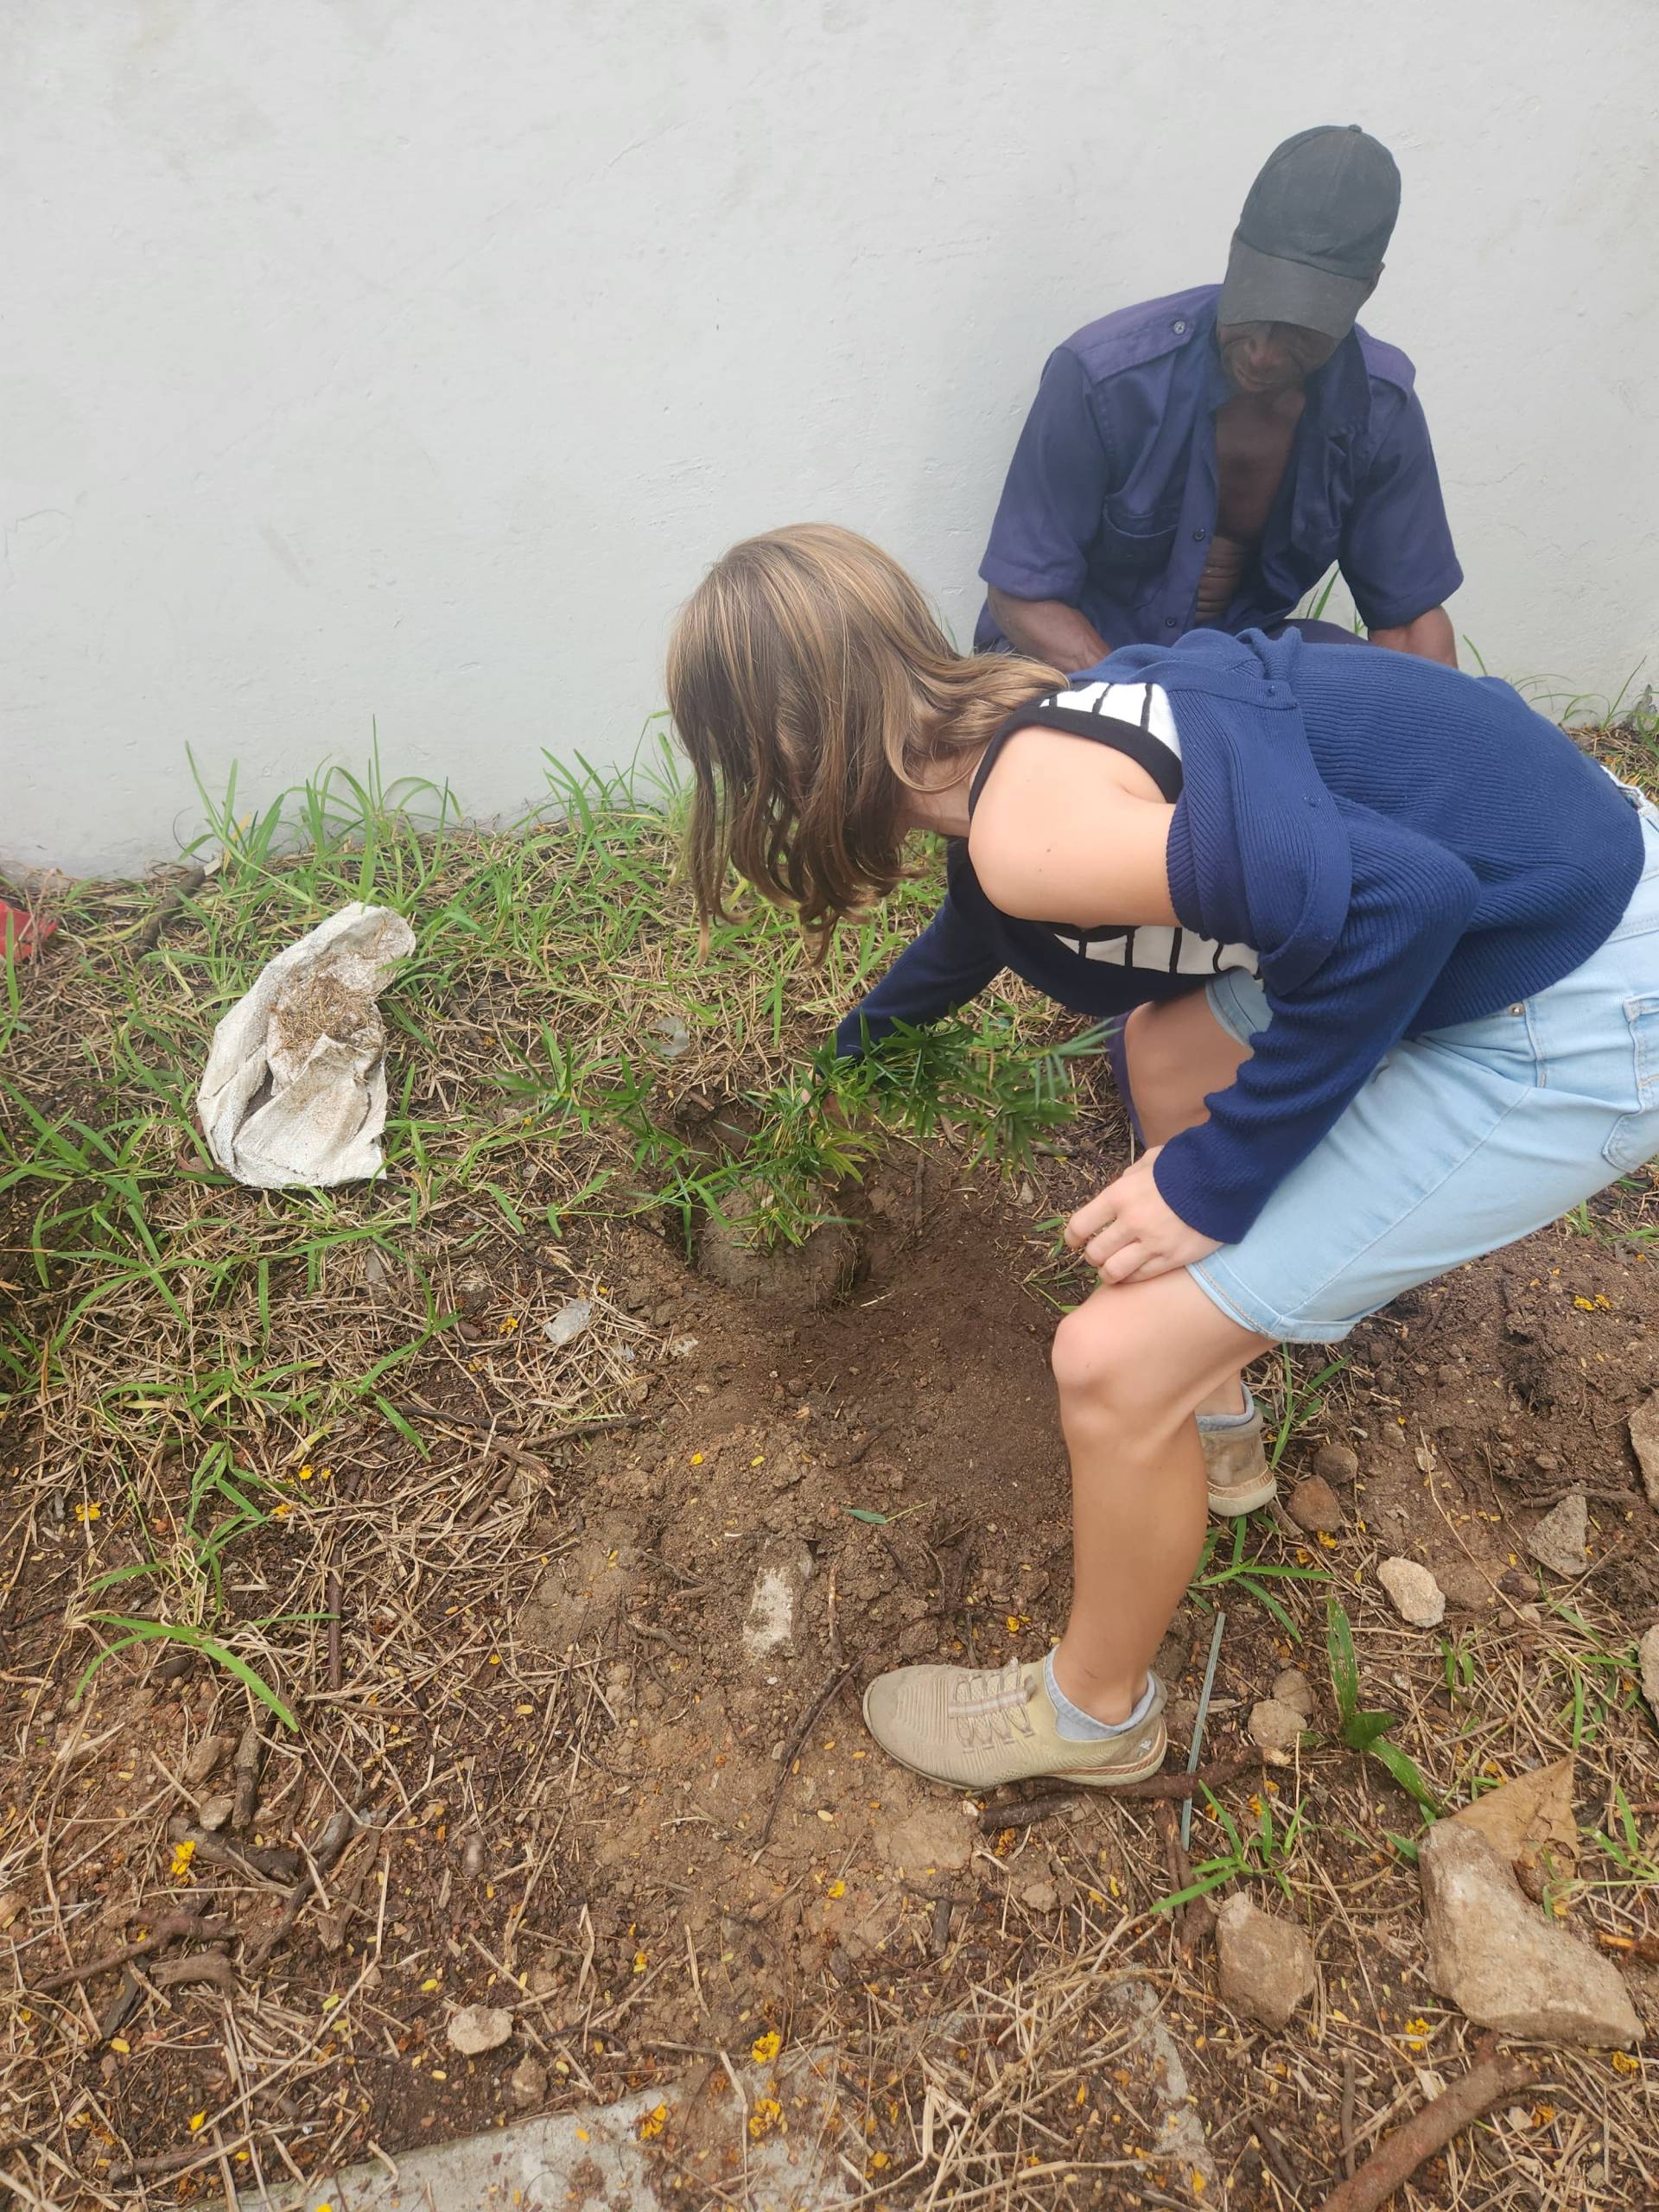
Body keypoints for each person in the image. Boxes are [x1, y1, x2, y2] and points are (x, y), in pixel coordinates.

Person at [666, 523, 1657, 1792]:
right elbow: (974, 930)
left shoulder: (1024, 827)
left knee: (1108, 1362)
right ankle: (1217, 1412)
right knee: (1170, 1047)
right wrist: (838, 1074)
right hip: (1571, 865)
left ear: (784, 751)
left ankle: (1094, 1717)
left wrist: (1214, 1180)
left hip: (1576, 998)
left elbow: (1405, 898)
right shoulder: (1035, 725)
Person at [976, 125, 1461, 671]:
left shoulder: (1380, 409)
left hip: (1234, 662)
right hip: (1074, 660)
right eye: (1254, 310)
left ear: (1367, 288)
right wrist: (1146, 702)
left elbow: (1408, 626)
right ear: (1235, 251)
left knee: (1353, 671)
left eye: (1301, 331)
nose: (1263, 354)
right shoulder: (1105, 378)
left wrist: (1443, 717)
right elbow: (1022, 597)